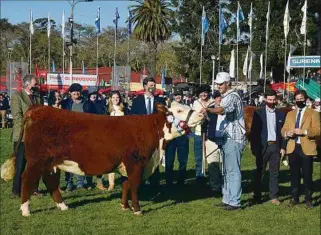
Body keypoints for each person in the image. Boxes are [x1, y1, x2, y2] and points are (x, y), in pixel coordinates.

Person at [202, 72, 246, 210]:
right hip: (226, 138)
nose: (218, 86)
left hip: (234, 138)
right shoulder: (226, 96)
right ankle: (227, 198)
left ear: (228, 83)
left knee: (233, 170)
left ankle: (234, 201)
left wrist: (208, 109)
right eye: (217, 83)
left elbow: (222, 110)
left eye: (220, 84)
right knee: (226, 170)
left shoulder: (233, 96)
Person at [281, 90, 321, 208]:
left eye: (301, 98)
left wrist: (305, 132)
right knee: (294, 175)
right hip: (293, 148)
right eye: (297, 99)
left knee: (307, 174)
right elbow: (283, 129)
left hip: (307, 147)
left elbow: (318, 130)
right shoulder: (290, 114)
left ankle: (308, 199)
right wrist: (287, 133)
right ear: (295, 100)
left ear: (306, 99)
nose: (299, 101)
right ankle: (295, 198)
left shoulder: (313, 113)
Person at [250, 90, 286, 205]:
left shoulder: (281, 114)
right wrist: (254, 148)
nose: (272, 102)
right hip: (262, 147)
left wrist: (283, 147)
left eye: (274, 99)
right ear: (265, 99)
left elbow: (283, 133)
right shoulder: (258, 113)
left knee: (274, 172)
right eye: (270, 99)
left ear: (276, 99)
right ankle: (257, 195)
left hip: (275, 146)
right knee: (259, 172)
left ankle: (274, 196)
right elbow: (254, 132)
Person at [130, 77, 166, 187]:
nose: (152, 87)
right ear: (145, 86)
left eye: (154, 85)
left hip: (155, 135)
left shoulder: (160, 101)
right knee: (141, 159)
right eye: (150, 85)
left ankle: (154, 183)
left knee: (154, 158)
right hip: (141, 136)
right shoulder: (137, 101)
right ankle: (141, 181)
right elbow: (132, 118)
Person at [11, 74, 42, 197]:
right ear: (28, 84)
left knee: (35, 164)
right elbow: (17, 117)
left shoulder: (37, 97)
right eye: (35, 83)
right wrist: (30, 126)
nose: (37, 85)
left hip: (36, 137)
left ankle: (34, 189)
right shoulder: (17, 96)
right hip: (22, 137)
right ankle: (16, 190)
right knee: (20, 165)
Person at [60, 83, 94, 191]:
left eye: (78, 91)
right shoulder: (65, 104)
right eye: (74, 91)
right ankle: (69, 183)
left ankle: (80, 183)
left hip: (83, 137)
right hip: (69, 136)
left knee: (81, 160)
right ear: (70, 93)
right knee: (68, 160)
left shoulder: (88, 104)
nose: (76, 93)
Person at [164, 89, 189, 186]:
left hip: (182, 136)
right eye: (176, 95)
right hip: (171, 137)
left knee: (182, 160)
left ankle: (181, 181)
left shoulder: (186, 107)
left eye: (180, 95)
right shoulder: (169, 108)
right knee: (169, 161)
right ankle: (169, 181)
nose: (178, 97)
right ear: (173, 96)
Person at [192, 84, 214, 185]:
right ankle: (199, 176)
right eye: (201, 93)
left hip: (210, 133)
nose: (204, 94)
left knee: (211, 156)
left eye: (205, 92)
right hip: (198, 132)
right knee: (199, 156)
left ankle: (213, 176)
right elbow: (193, 117)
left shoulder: (213, 102)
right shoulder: (195, 103)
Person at [205, 91, 224, 193]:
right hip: (212, 140)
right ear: (215, 99)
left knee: (225, 164)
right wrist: (205, 140)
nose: (219, 99)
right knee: (213, 164)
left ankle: (225, 184)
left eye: (221, 97)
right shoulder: (209, 110)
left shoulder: (228, 110)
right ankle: (215, 186)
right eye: (218, 97)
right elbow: (204, 125)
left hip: (225, 140)